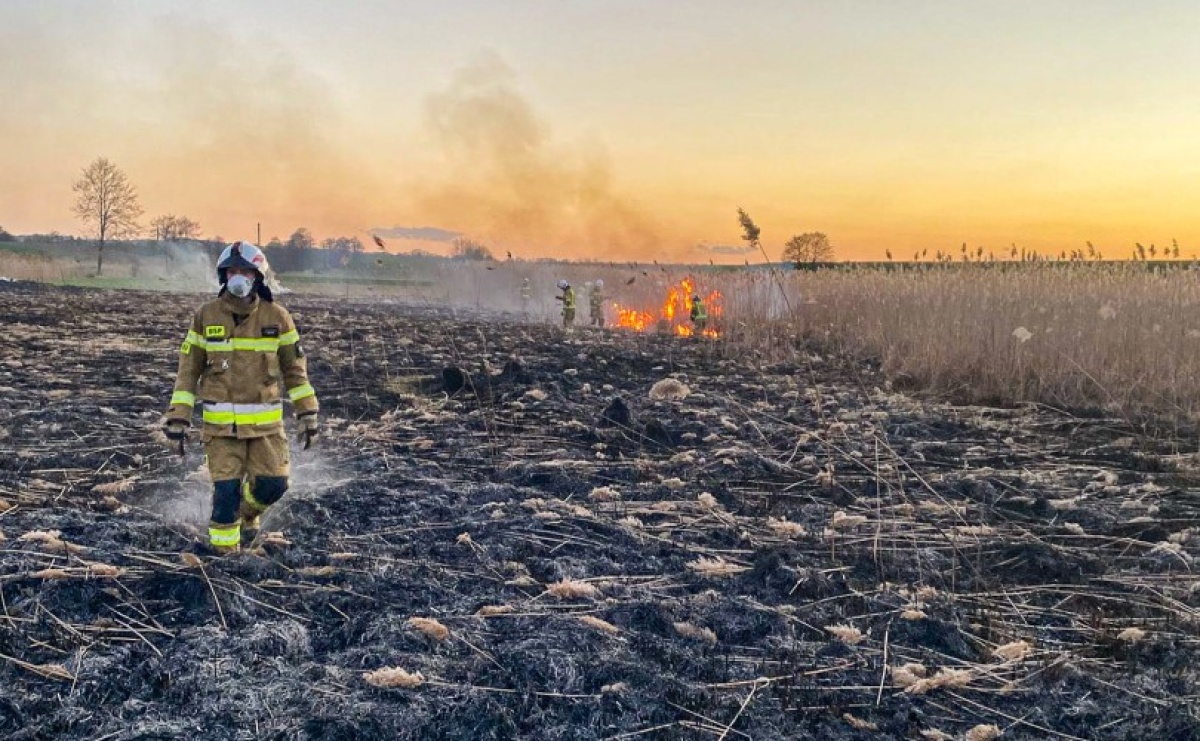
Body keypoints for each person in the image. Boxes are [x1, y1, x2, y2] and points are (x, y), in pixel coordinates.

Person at [162, 241, 320, 555]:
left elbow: (295, 371)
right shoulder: (206, 316)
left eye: (244, 270)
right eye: (232, 270)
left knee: (274, 485)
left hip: (266, 430)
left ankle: (249, 514)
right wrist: (178, 416)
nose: (238, 277)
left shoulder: (277, 317)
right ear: (224, 275)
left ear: (257, 275)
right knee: (225, 495)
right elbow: (187, 371)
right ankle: (226, 559)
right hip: (221, 431)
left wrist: (307, 413)